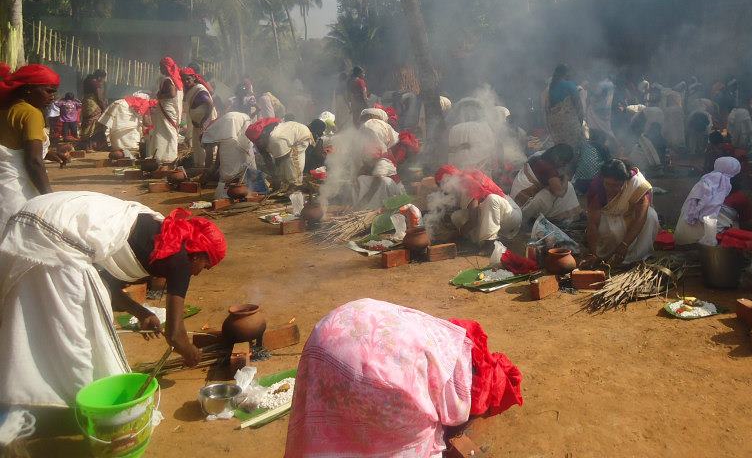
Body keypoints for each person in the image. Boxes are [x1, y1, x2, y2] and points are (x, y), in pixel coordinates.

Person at [0, 193, 225, 410]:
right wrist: (190, 352)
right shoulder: (180, 260)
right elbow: (175, 335)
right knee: (79, 332)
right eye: (205, 266)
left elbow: (105, 283)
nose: (199, 273)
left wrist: (142, 312)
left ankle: (31, 393)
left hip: (33, 217)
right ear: (197, 253)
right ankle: (78, 401)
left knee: (34, 318)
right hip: (55, 234)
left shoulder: (161, 233)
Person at [284, 298, 522, 458]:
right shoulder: (443, 394)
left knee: (339, 417)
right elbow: (452, 420)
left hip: (333, 329)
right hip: (377, 369)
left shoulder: (444, 337)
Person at [0, 63, 63, 222]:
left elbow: (12, 143)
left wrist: (47, 153)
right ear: (28, 88)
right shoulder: (31, 113)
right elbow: (33, 161)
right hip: (19, 187)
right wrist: (50, 197)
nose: (52, 96)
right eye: (48, 91)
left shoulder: (6, 110)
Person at [580, 159, 660, 268]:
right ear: (603, 179)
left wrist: (624, 245)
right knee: (613, 229)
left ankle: (639, 257)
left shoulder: (637, 184)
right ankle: (607, 257)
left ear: (625, 181)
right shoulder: (597, 187)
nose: (611, 189)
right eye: (608, 184)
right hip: (608, 216)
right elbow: (593, 223)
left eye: (617, 185)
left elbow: (640, 217)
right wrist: (592, 253)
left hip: (632, 215)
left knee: (651, 216)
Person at [433, 165, 522, 250]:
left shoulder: (467, 182)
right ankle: (479, 241)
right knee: (457, 216)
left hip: (511, 217)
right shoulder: (460, 183)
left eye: (442, 185)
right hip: (500, 221)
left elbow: (473, 221)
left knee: (492, 199)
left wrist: (455, 235)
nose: (443, 190)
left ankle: (490, 244)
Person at [674, 157, 742, 246]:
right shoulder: (735, 193)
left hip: (680, 239)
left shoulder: (703, 182)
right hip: (705, 245)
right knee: (735, 221)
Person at [509, 144, 580, 224]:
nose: (564, 165)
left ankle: (568, 214)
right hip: (522, 209)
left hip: (516, 204)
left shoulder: (539, 155)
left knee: (567, 187)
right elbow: (559, 193)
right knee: (553, 191)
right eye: (564, 163)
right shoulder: (548, 168)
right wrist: (566, 177)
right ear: (559, 159)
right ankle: (553, 217)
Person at [247, 117, 315, 190]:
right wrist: (274, 175)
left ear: (263, 134)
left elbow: (281, 159)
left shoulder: (275, 140)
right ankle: (287, 186)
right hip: (290, 134)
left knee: (292, 164)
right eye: (256, 142)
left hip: (301, 136)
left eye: (259, 140)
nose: (258, 143)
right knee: (284, 170)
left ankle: (296, 188)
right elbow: (267, 158)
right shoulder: (261, 141)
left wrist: (276, 177)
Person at [202, 111, 259, 198]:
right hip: (243, 118)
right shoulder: (213, 132)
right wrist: (213, 169)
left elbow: (210, 158)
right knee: (245, 151)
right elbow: (219, 155)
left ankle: (226, 191)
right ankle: (250, 187)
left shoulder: (206, 137)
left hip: (232, 122)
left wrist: (206, 173)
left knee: (229, 162)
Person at [146, 57, 184, 165]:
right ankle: (165, 156)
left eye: (161, 66)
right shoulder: (176, 79)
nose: (160, 68)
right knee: (167, 132)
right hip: (170, 110)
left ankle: (168, 157)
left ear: (166, 67)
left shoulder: (167, 80)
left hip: (166, 109)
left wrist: (159, 95)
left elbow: (172, 94)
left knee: (167, 132)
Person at [542, 64, 586, 156]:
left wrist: (549, 127)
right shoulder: (570, 85)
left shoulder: (549, 88)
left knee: (561, 153)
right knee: (575, 152)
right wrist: (580, 122)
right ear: (566, 73)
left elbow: (546, 110)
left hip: (555, 128)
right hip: (570, 126)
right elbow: (578, 106)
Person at [446, 98, 497, 172]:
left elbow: (451, 154)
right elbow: (491, 149)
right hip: (482, 175)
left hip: (458, 174)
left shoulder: (454, 129)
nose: (469, 113)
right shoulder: (486, 127)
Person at [98, 93, 154, 158]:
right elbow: (146, 123)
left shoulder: (120, 103)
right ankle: (124, 153)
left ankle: (121, 152)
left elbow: (107, 123)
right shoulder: (144, 104)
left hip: (118, 142)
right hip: (131, 144)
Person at [181, 67, 217, 166]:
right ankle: (200, 165)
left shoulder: (199, 89)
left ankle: (205, 167)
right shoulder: (191, 90)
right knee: (198, 145)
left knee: (205, 144)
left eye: (188, 79)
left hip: (204, 122)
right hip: (197, 123)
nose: (186, 81)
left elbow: (209, 104)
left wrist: (203, 121)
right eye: (183, 80)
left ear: (193, 77)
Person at [572, 130, 612, 194]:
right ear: (603, 140)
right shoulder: (603, 148)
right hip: (595, 184)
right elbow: (610, 163)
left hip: (579, 183)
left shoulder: (583, 145)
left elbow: (577, 160)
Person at [78, 68, 107, 148]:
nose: (103, 81)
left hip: (86, 103)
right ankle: (93, 145)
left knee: (87, 122)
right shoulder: (96, 83)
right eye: (103, 79)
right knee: (96, 123)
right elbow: (100, 98)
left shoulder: (87, 80)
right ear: (100, 77)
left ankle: (85, 144)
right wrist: (104, 108)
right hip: (93, 104)